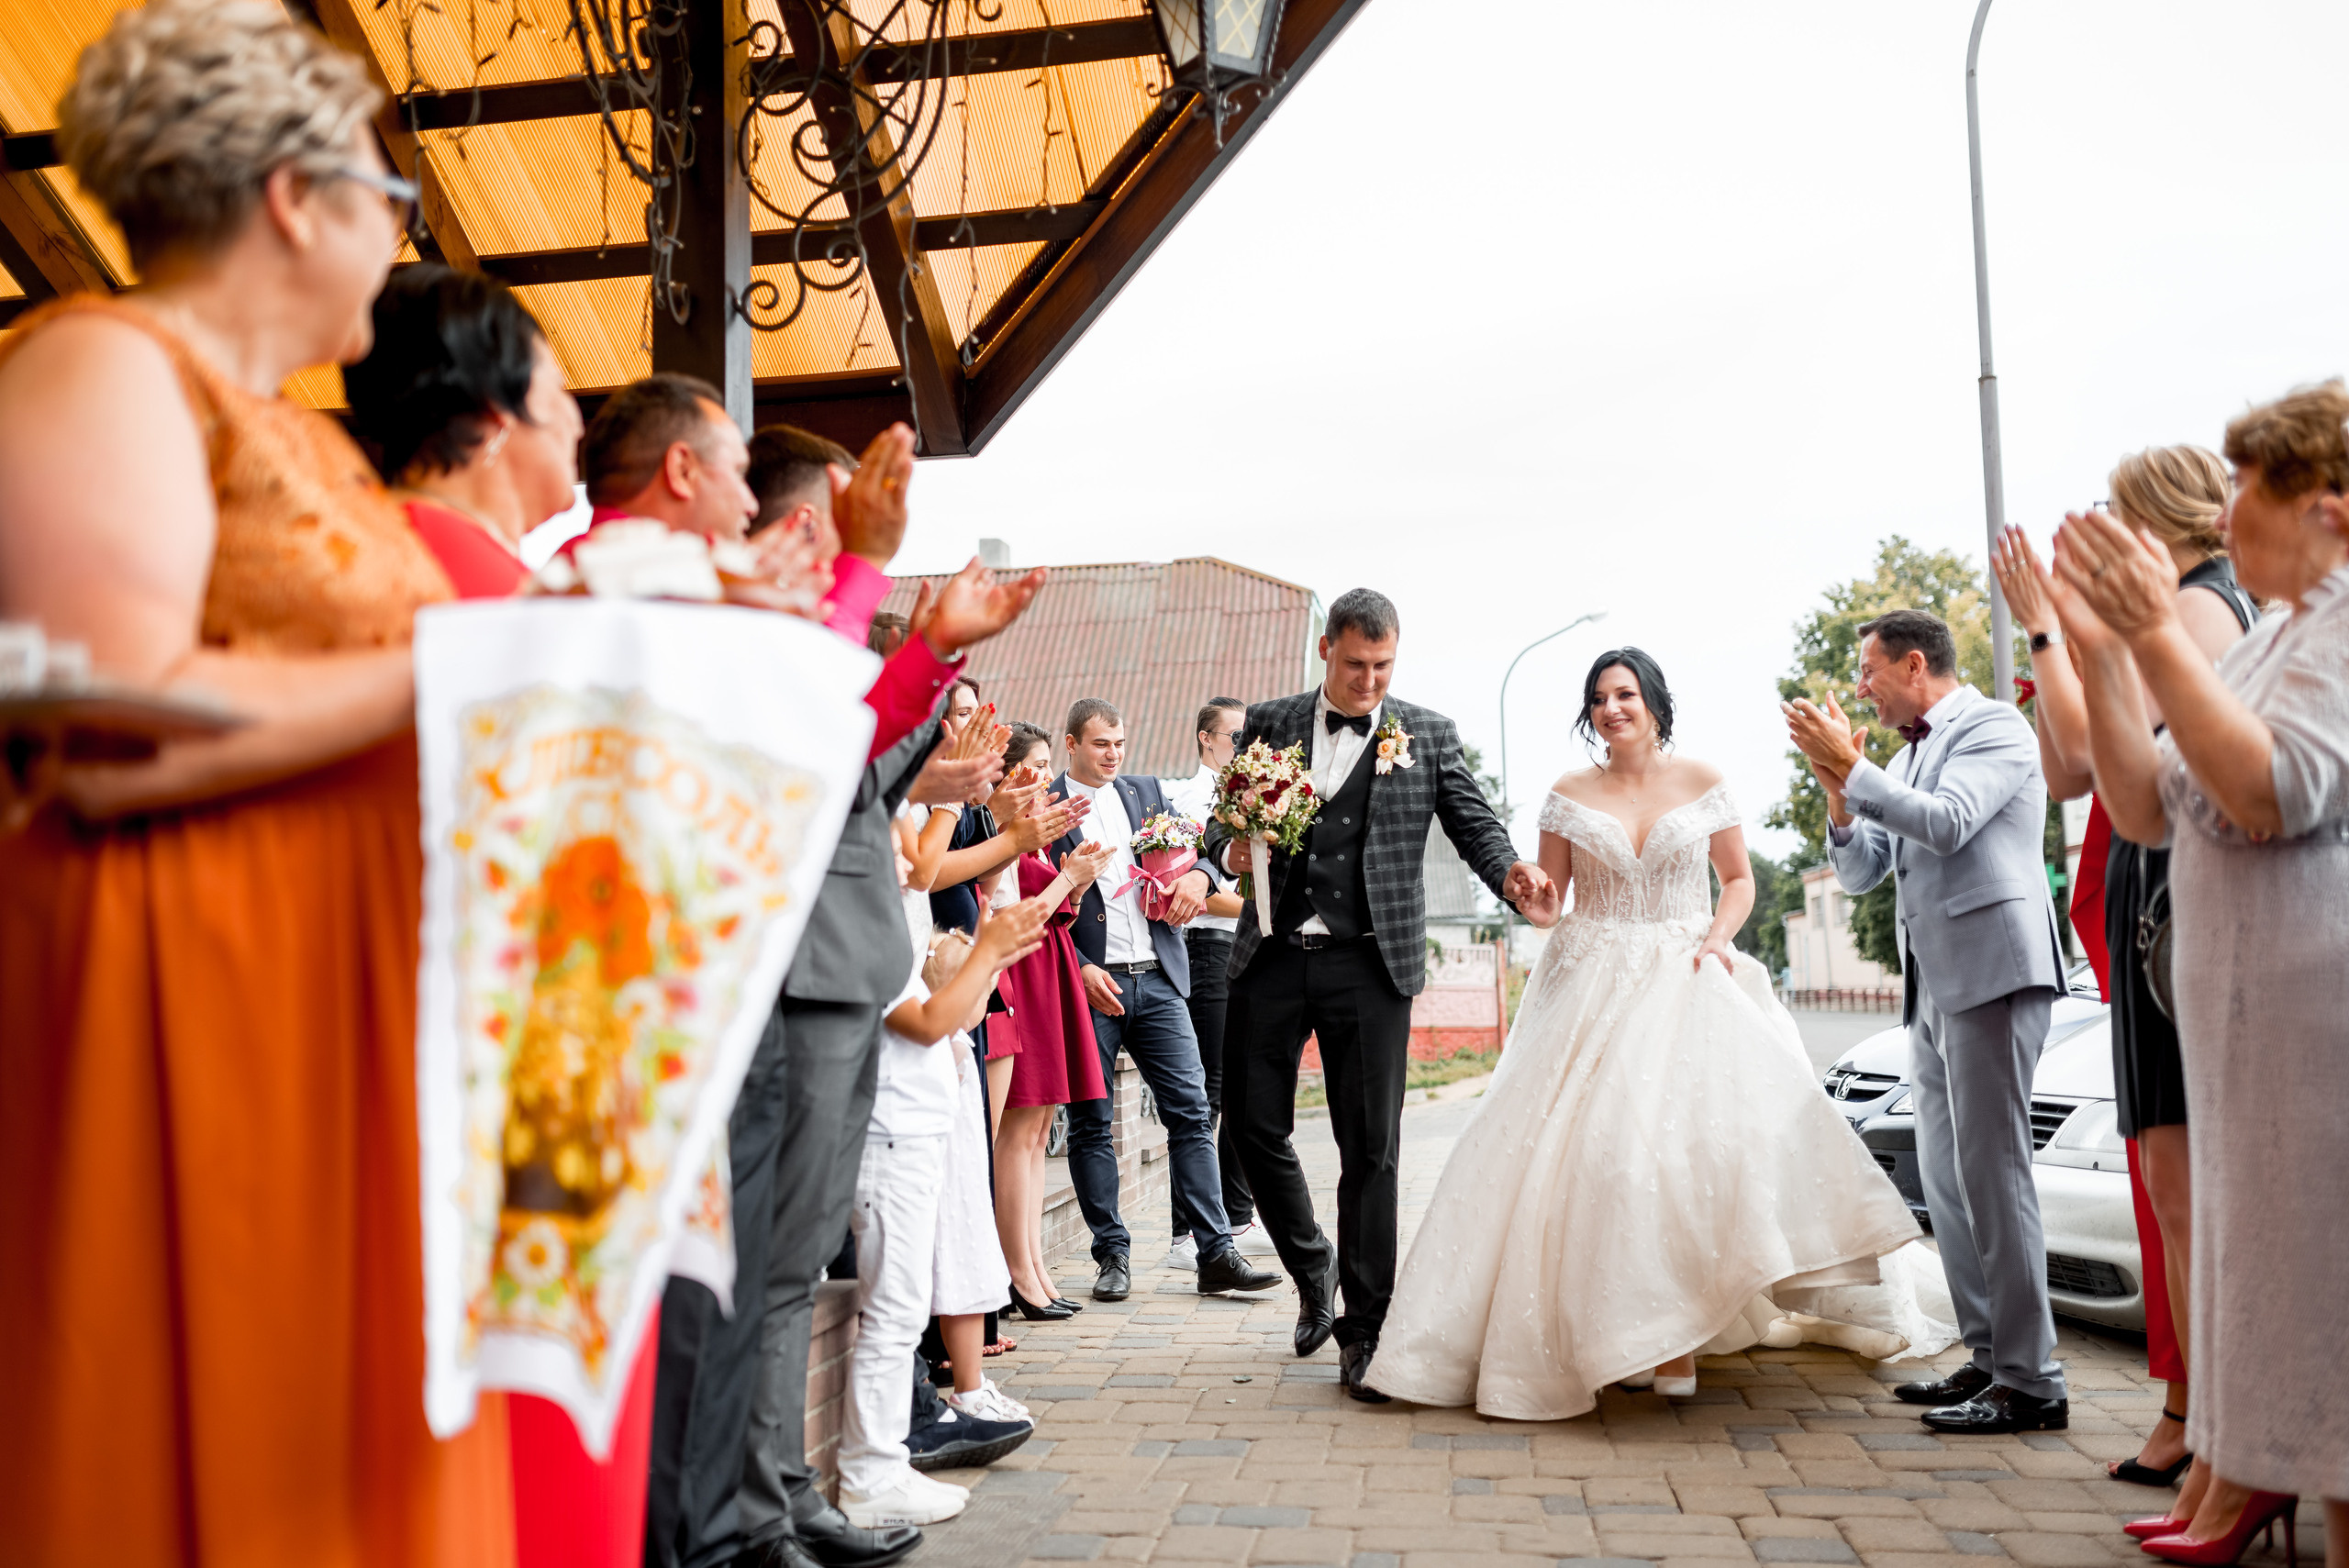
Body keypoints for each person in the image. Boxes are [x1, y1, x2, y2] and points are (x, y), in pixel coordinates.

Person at [0, 3, 513, 1562]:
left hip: (345, 986)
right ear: (297, 197)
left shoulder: (312, 442)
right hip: (191, 981)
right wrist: (482, 665)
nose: (396, 238)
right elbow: (107, 717)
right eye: (391, 196)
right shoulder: (103, 361)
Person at [640, 415, 1047, 1568]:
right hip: (801, 964)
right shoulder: (743, 618)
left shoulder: (785, 624)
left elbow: (849, 763)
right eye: (848, 502)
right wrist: (917, 683)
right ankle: (749, 1514)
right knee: (773, 1260)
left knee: (793, 1255)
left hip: (837, 965)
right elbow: (811, 770)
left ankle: (772, 1497)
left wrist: (926, 736)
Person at [348, 259, 678, 1568]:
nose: (577, 422)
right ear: (492, 420)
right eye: (559, 396)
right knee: (542, 1460)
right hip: (527, 1085)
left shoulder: (390, 567)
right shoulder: (487, 601)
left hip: (458, 1063)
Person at [1370, 649, 1931, 1415]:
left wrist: (1718, 939)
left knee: (1681, 1156)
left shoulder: (1702, 780)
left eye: (1625, 693)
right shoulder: (1568, 793)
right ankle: (1625, 1331)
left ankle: (1676, 1339)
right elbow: (1552, 904)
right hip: (1589, 985)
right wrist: (1532, 897)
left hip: (1687, 973)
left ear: (1655, 703)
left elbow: (1739, 879)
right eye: (1599, 697)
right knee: (1598, 1161)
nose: (1611, 707)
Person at [2049, 382, 2349, 1568]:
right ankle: (2255, 1474)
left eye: (2249, 485)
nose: (2227, 512)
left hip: (2320, 1027)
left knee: (2328, 1309)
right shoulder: (2272, 633)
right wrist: (2103, 649)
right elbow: (2142, 802)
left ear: (2328, 506)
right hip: (2248, 1035)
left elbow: (2272, 789)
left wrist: (2157, 635)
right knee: (2283, 1299)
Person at [1200, 589, 1554, 1403]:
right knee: (1250, 1126)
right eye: (1356, 663)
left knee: (1372, 1150)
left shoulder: (1426, 733)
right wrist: (1231, 848)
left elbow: (1473, 822)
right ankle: (1312, 1262)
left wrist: (1511, 875)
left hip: (1370, 963)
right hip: (1272, 953)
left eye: (1383, 666)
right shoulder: (1270, 722)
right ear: (1327, 648)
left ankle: (1365, 1333)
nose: (1369, 680)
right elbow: (1220, 823)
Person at [1988, 446, 2254, 1494]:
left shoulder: (2200, 606)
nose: (2100, 526)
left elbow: (2106, 755)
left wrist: (2059, 631)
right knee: (2167, 1180)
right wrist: (2055, 635)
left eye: (2116, 510)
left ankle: (2220, 1431)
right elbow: (2067, 763)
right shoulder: (2166, 609)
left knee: (2185, 1185)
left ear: (2158, 519)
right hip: (2144, 888)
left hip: (2175, 891)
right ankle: (2196, 1416)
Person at [1786, 607, 2072, 1435]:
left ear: (1915, 665)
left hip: (1994, 973)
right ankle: (1988, 1358)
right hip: (1934, 990)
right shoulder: (1908, 756)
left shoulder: (1995, 727)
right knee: (1946, 1181)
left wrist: (1858, 770)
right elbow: (1863, 871)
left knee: (1996, 1174)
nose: (1860, 689)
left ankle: (2033, 1381)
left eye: (1868, 671)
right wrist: (1840, 795)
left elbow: (1946, 823)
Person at [1052, 698, 1282, 1304]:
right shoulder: (1046, 806)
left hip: (1158, 979)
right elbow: (1031, 901)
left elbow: (1209, 849)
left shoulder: (1148, 793)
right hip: (1093, 986)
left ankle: (1215, 1252)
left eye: (1120, 742)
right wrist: (1078, 968)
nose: (1114, 754)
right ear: (1071, 743)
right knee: (1091, 1124)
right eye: (1101, 743)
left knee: (1192, 1113)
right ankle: (1112, 1254)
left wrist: (1198, 878)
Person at [835, 878, 1045, 1528]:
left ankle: (883, 1462)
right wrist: (988, 952)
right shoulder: (869, 920)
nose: (909, 856)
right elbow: (925, 1022)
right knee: (892, 1312)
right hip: (890, 1127)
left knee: (899, 1312)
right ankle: (869, 1473)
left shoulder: (890, 913)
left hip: (912, 1122)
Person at [345, 263, 583, 600]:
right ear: (498, 400)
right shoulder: (473, 582)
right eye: (558, 388)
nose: (577, 424)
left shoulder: (373, 541)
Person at [989, 722, 1115, 1317]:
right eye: (1036, 767)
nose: (1045, 779)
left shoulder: (1037, 836)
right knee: (1018, 1132)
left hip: (1050, 967)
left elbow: (1060, 909)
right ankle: (1016, 1272)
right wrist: (1070, 878)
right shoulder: (1005, 835)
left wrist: (1078, 880)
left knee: (1041, 1131)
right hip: (1024, 973)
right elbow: (1016, 913)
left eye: (1045, 767)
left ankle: (1036, 1264)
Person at [1162, 696, 1266, 1266]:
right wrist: (1263, 907)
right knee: (1209, 1091)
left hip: (1252, 950)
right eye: (1234, 737)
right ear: (1205, 739)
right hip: (1209, 949)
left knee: (1247, 1086)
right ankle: (1187, 1230)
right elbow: (1189, 891)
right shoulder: (1185, 802)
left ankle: (1237, 1214)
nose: (1243, 748)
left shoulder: (1258, 798)